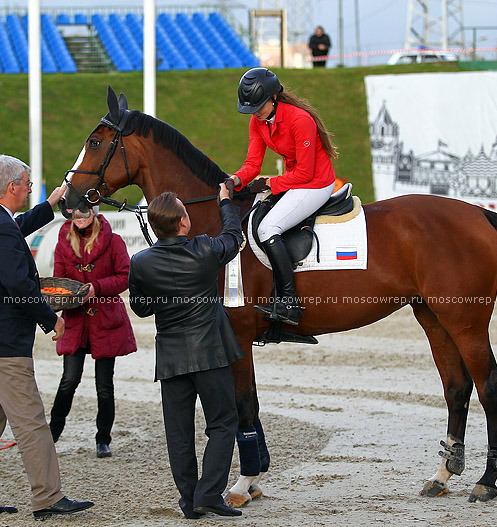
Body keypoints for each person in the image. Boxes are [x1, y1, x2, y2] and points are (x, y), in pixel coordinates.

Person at [0, 155, 94, 520]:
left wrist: (48, 206)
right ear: (12, 187)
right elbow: (18, 284)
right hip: (2, 342)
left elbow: (16, 229)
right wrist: (51, 321)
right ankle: (48, 497)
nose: (31, 188)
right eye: (28, 184)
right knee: (32, 421)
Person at [127, 183, 244, 520]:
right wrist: (225, 203)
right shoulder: (205, 249)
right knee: (222, 423)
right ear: (182, 222)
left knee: (178, 432)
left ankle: (190, 499)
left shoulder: (142, 262)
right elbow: (234, 237)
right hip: (210, 352)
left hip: (172, 357)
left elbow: (142, 309)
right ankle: (208, 494)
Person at [232, 67, 339, 325]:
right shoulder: (257, 122)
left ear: (273, 98)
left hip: (316, 184)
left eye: (259, 106)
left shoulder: (300, 120)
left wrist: (272, 183)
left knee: (268, 228)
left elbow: (305, 172)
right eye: (251, 108)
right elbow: (252, 164)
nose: (255, 112)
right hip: (293, 181)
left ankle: (290, 303)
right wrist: (234, 180)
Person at [48, 207, 137, 458]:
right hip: (76, 321)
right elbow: (58, 281)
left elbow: (125, 276)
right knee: (69, 380)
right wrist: (67, 296)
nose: (80, 221)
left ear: (95, 215)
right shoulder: (63, 242)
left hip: (105, 319)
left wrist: (96, 287)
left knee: (104, 386)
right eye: (75, 217)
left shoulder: (115, 241)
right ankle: (51, 434)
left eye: (84, 215)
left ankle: (103, 439)